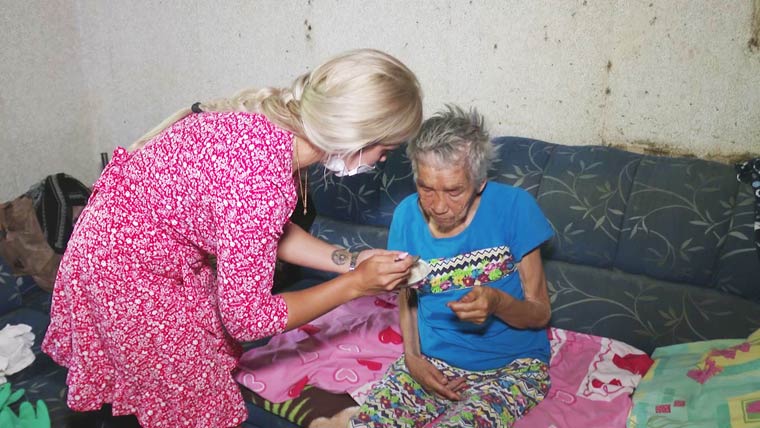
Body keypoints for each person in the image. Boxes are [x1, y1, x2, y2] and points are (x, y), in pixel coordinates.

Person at [41, 48, 422, 428]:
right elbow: (249, 320)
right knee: (192, 408)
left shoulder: (269, 128)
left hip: (115, 248)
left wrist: (351, 260)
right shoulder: (261, 180)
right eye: (384, 150)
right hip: (126, 276)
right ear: (353, 135)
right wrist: (355, 285)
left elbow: (256, 232)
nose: (384, 161)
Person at [350, 105, 554, 427]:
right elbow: (408, 296)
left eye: (454, 190)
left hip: (513, 368)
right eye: (426, 188)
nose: (439, 207)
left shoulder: (515, 208)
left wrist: (498, 303)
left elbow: (540, 312)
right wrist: (413, 358)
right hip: (432, 362)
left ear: (480, 182)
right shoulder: (406, 215)